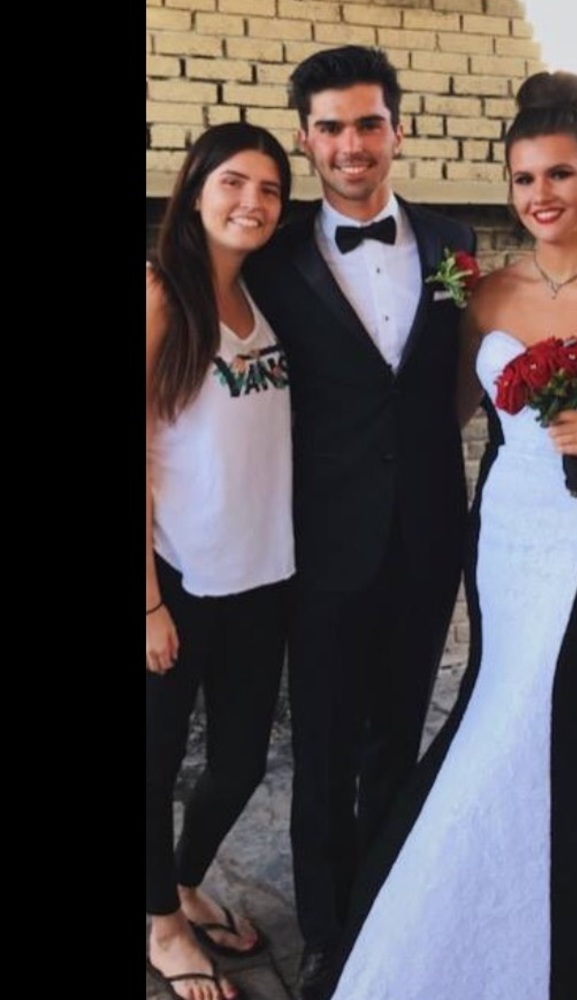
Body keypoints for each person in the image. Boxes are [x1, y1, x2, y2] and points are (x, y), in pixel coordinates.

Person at [317, 70, 577, 1000]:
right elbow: (434, 412)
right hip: (504, 530)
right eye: (524, 180)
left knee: (556, 699)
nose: (541, 197)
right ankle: (469, 892)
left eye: (559, 176)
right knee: (498, 697)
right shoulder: (483, 296)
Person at [240, 45, 477, 1000]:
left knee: (400, 741)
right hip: (319, 543)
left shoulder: (455, 240)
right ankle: (331, 938)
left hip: (425, 535)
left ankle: (393, 910)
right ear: (306, 139)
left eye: (367, 123)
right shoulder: (274, 251)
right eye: (330, 127)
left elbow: (458, 376)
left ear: (397, 129)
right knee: (326, 747)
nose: (350, 145)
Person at [146, 122, 294, 1000]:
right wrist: (149, 604)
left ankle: (184, 883)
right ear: (196, 190)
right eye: (234, 182)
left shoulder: (260, 299)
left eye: (271, 189)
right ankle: (161, 925)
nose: (252, 202)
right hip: (178, 583)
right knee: (155, 764)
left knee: (238, 761)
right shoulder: (164, 293)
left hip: (262, 577)